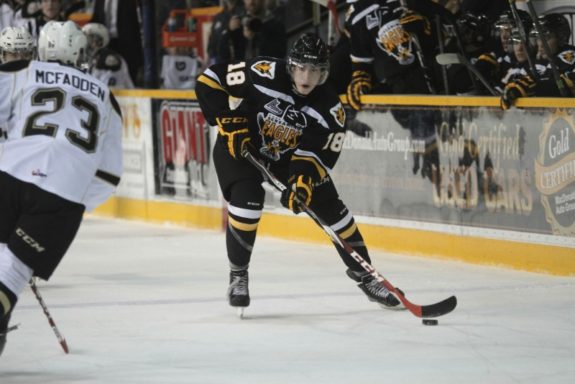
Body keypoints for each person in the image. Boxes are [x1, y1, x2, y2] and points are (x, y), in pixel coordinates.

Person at [195, 33, 401, 312]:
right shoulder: (263, 72)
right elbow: (210, 79)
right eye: (302, 68)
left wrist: (302, 181)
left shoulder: (330, 110)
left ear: (324, 73)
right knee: (247, 202)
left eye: (315, 70)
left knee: (335, 213)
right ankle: (238, 276)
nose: (307, 77)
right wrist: (227, 118)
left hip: (287, 162)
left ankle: (367, 277)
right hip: (242, 147)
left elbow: (317, 154)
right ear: (291, 66)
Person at [0, 20, 123, 355]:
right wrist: (71, 202)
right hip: (62, 194)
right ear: (82, 53)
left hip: (8, 176)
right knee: (12, 271)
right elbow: (109, 176)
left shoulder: (23, 70)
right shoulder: (106, 97)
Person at [500, 13, 575, 108]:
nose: (541, 44)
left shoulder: (569, 55)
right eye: (538, 38)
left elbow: (557, 83)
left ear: (561, 37)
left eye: (546, 38)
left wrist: (532, 88)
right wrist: (517, 87)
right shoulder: (539, 61)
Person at [82, 22, 134, 89]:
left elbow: (107, 90)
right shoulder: (88, 60)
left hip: (122, 97)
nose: (86, 43)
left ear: (99, 41)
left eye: (89, 39)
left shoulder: (109, 60)